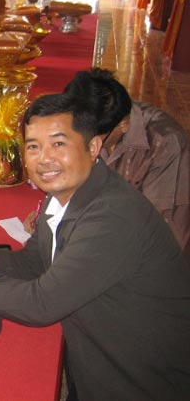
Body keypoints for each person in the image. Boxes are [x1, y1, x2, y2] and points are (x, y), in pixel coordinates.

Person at [0, 93, 190, 401]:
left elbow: (40, 303)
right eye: (33, 147)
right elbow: (30, 265)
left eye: (58, 144)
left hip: (141, 381)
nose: (44, 159)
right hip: (97, 364)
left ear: (93, 146)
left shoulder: (111, 217)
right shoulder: (65, 196)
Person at [25, 68, 189, 264]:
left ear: (123, 125)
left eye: (94, 139)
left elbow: (163, 232)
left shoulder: (164, 144)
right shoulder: (91, 126)